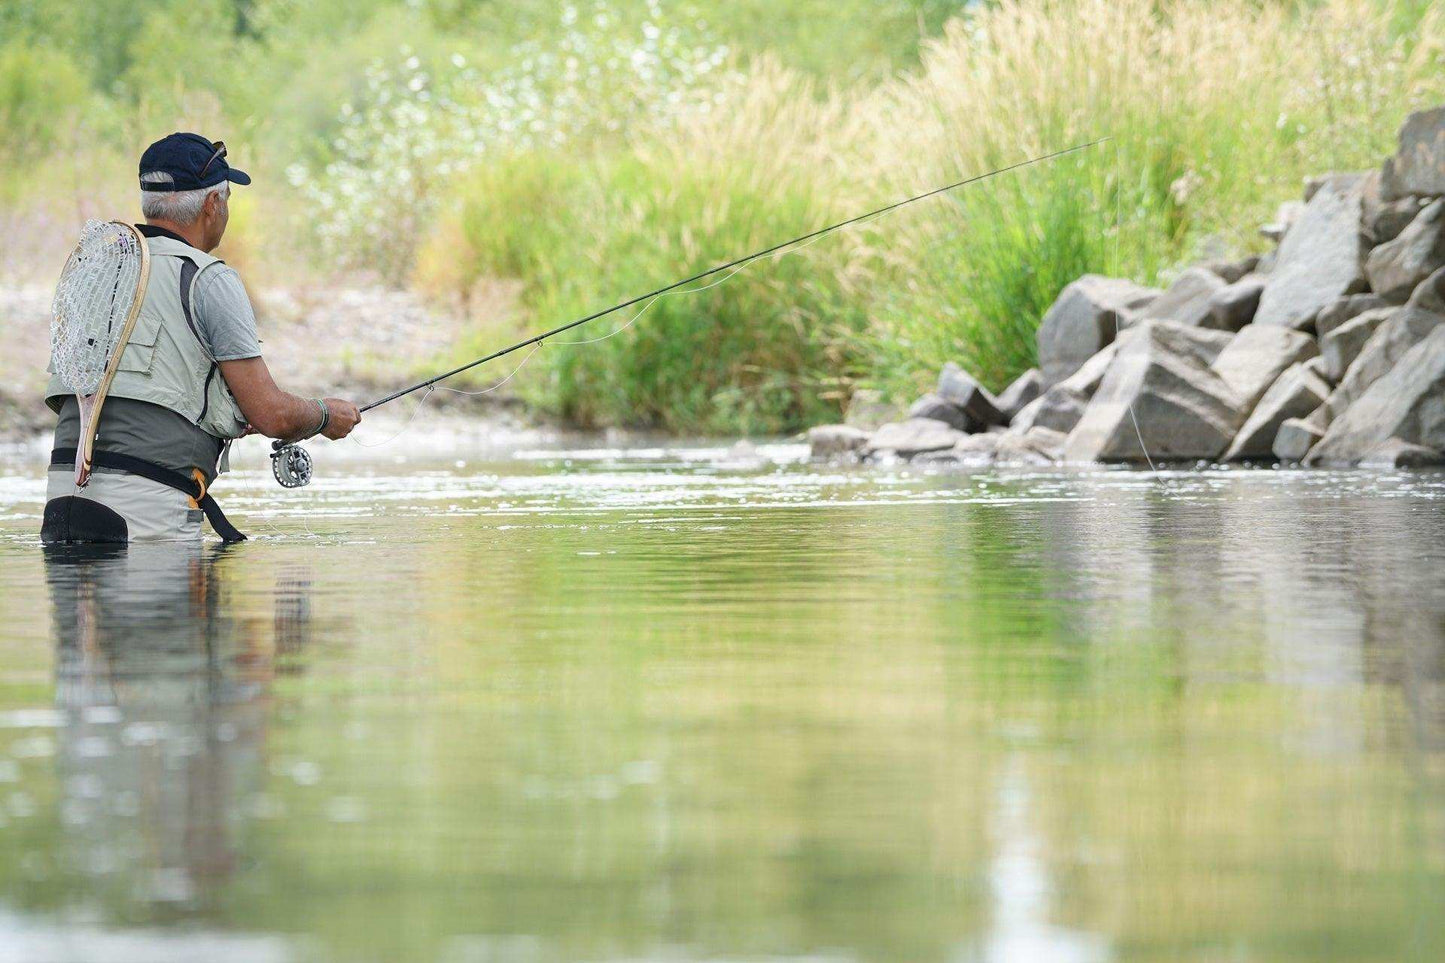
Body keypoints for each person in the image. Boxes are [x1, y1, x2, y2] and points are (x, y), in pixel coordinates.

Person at [42, 132, 361, 544]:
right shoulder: (209, 279)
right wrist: (324, 415)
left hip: (61, 498)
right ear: (213, 205)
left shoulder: (92, 270)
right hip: (145, 507)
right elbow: (271, 416)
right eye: (227, 199)